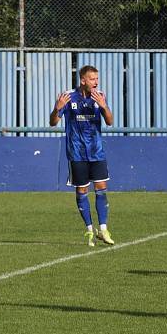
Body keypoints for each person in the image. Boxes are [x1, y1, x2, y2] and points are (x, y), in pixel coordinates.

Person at [50, 65, 115, 246]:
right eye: (93, 79)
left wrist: (104, 107)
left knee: (101, 188)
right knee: (82, 190)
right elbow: (53, 122)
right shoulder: (69, 97)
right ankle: (89, 229)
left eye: (97, 78)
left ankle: (103, 229)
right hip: (77, 153)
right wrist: (57, 109)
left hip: (96, 151)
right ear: (83, 80)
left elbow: (109, 121)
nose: (96, 82)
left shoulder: (99, 96)